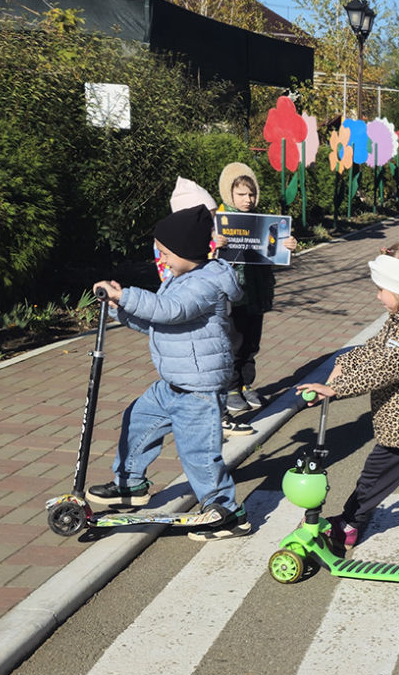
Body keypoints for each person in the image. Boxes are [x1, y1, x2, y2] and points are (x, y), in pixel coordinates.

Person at [296, 242, 399, 568]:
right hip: (396, 421)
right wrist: (347, 360)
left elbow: (384, 369)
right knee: (374, 476)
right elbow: (376, 349)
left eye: (382, 290)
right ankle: (349, 524)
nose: (377, 296)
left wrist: (334, 390)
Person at [89, 204, 250, 540]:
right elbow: (156, 322)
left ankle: (226, 511)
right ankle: (129, 484)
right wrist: (120, 310)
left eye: (165, 253)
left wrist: (127, 294)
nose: (160, 260)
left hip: (199, 389)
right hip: (174, 383)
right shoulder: (179, 279)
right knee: (138, 419)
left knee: (198, 454)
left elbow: (170, 311)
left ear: (187, 250)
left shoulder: (207, 283)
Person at [218, 162, 297, 417]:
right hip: (234, 295)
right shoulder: (220, 221)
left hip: (258, 292)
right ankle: (230, 389)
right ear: (229, 194)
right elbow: (203, 255)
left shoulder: (265, 222)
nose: (247, 199)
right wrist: (214, 243)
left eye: (251, 194)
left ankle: (246, 384)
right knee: (234, 342)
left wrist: (288, 245)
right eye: (241, 194)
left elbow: (274, 252)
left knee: (252, 343)